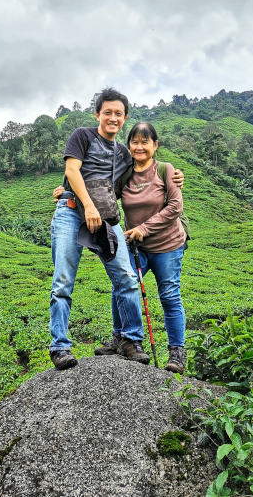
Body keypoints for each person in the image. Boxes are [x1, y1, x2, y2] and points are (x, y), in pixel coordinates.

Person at [50, 88, 184, 371]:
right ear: (97, 114)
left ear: (124, 118)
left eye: (119, 114)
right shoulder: (82, 136)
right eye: (107, 112)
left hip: (107, 220)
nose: (113, 118)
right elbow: (73, 171)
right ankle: (60, 347)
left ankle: (130, 340)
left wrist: (176, 176)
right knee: (63, 281)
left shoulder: (122, 153)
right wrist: (83, 203)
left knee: (126, 278)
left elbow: (139, 177)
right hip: (72, 212)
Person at [96, 122, 188, 373]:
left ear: (155, 145)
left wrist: (143, 228)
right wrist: (69, 192)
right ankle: (120, 337)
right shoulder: (125, 173)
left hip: (168, 245)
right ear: (129, 146)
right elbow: (104, 195)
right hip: (137, 247)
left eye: (145, 141)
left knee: (169, 295)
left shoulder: (166, 170)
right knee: (123, 285)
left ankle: (177, 352)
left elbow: (175, 208)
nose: (139, 146)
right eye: (134, 142)